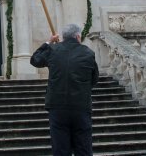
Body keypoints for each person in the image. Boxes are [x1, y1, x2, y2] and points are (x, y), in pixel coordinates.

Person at [30, 23, 99, 156]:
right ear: (78, 36)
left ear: (64, 37)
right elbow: (94, 79)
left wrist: (48, 42)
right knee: (83, 149)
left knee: (60, 150)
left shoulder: (53, 50)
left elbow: (35, 59)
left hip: (57, 108)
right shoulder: (88, 53)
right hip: (81, 107)